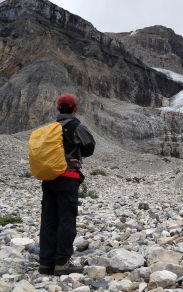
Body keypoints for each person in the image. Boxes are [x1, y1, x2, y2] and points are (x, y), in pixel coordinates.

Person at [39, 93, 95, 276]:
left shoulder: (50, 128)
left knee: (48, 220)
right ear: (75, 108)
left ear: (57, 108)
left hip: (48, 178)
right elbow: (89, 147)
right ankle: (62, 262)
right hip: (68, 177)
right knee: (66, 219)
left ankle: (46, 263)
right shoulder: (76, 126)